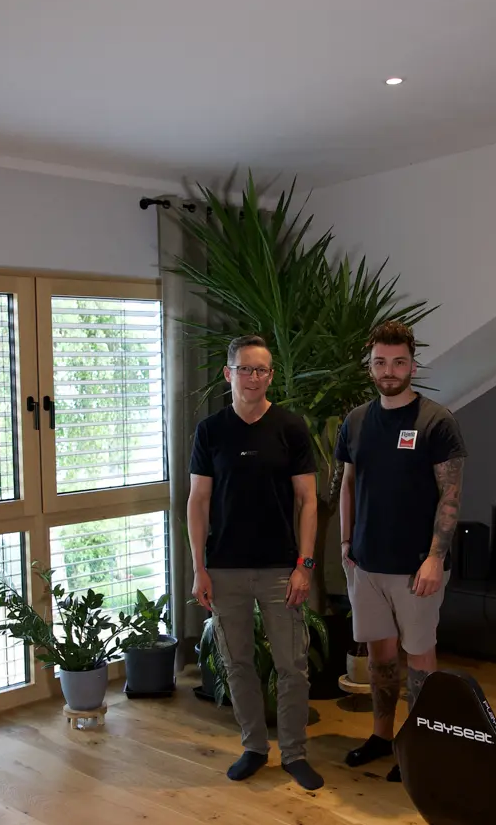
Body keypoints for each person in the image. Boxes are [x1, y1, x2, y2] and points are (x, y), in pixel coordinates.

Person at [187, 335, 324, 790]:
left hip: (280, 569)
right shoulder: (210, 431)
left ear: (271, 376)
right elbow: (198, 501)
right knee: (238, 663)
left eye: (262, 370)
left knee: (292, 664)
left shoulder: (290, 427)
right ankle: (254, 747)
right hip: (224, 568)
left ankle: (294, 752)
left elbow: (307, 501)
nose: (254, 378)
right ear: (228, 374)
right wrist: (199, 568)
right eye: (245, 369)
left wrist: (304, 565)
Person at [337, 321, 466, 782]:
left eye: (398, 361)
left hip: (417, 567)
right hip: (367, 564)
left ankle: (422, 744)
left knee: (420, 658)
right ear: (370, 367)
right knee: (380, 658)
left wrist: (435, 557)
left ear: (412, 364)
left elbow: (450, 496)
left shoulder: (436, 421)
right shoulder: (355, 422)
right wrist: (346, 543)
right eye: (380, 362)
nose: (389, 370)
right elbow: (349, 484)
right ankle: (381, 735)